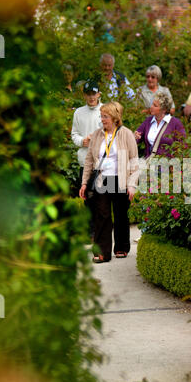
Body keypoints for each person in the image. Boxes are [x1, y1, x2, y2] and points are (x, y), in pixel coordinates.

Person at [80, 102, 139, 263]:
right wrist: (84, 183)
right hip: (102, 178)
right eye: (101, 116)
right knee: (102, 215)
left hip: (120, 179)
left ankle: (121, 247)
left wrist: (132, 184)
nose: (102, 119)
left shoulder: (126, 134)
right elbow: (89, 160)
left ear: (114, 118)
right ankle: (102, 252)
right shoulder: (98, 134)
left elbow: (134, 160)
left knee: (120, 214)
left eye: (105, 116)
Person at [71, 80, 103, 238]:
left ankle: (101, 229)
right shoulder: (78, 112)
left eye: (94, 93)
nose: (92, 97)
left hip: (103, 162)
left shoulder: (105, 110)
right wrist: (82, 141)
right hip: (85, 161)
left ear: (99, 94)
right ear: (84, 95)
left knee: (102, 196)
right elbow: (74, 135)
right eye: (88, 94)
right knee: (88, 197)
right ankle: (91, 231)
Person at [135, 91, 186, 158]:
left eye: (155, 105)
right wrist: (135, 137)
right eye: (152, 104)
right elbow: (136, 138)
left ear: (164, 109)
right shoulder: (148, 121)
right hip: (149, 164)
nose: (151, 107)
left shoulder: (176, 123)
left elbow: (183, 146)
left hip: (167, 165)